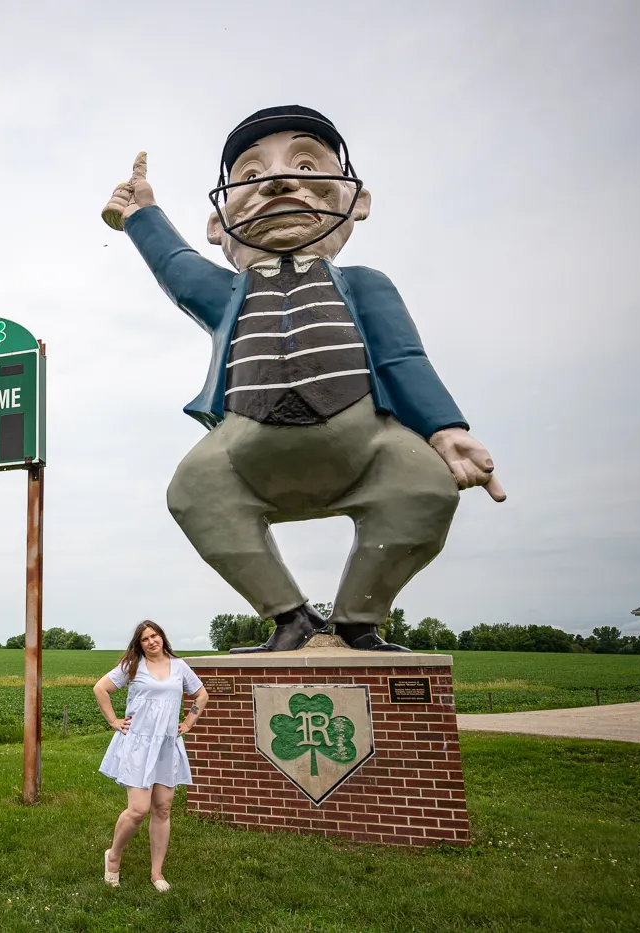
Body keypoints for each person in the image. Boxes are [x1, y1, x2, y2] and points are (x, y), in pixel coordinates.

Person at [101, 105, 505, 653]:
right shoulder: (228, 295)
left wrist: (444, 427)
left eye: (308, 166)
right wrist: (141, 214)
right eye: (250, 177)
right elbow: (176, 265)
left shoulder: (365, 284)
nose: (280, 181)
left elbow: (402, 357)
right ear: (219, 223)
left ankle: (358, 622)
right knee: (195, 490)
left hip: (365, 440)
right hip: (245, 448)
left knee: (425, 487)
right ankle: (290, 617)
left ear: (355, 202)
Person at [94, 620, 209, 891]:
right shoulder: (132, 666)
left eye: (154, 636)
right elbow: (101, 689)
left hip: (167, 745)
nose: (151, 641)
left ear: (162, 637)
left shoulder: (179, 666)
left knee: (163, 808)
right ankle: (113, 856)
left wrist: (189, 722)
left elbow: (201, 695)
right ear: (139, 644)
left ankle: (157, 873)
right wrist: (113, 720)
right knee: (138, 810)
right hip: (138, 744)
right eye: (145, 639)